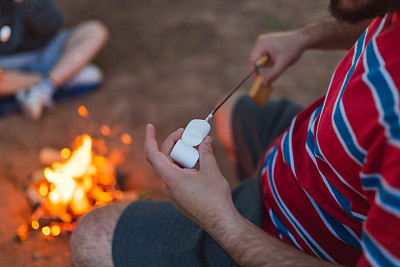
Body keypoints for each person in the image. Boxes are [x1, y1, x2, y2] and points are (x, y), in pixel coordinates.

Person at [71, 0, 400, 266]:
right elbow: (377, 8)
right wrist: (305, 37)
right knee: (228, 111)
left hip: (298, 240)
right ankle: (252, 185)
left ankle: (247, 216)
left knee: (93, 236)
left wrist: (222, 219)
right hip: (309, 149)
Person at [0, 0, 108, 120]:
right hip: (9, 67)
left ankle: (45, 86)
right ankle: (64, 79)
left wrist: (24, 3)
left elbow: (52, 26)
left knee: (94, 31)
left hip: (46, 52)